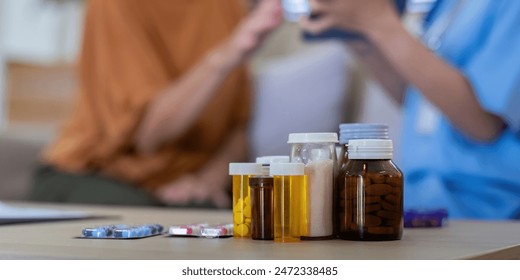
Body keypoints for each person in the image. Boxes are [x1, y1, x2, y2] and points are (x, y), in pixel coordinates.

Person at [28, 0, 283, 209]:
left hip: (185, 181)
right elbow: (149, 135)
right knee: (140, 220)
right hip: (93, 172)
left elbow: (238, 128)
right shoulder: (115, 6)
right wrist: (226, 55)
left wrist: (209, 180)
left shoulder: (228, 7)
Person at [301, 0, 520, 219]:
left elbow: (483, 125)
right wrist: (357, 34)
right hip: (419, 205)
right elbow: (419, 97)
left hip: (485, 211)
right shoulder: (446, 6)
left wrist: (379, 23)